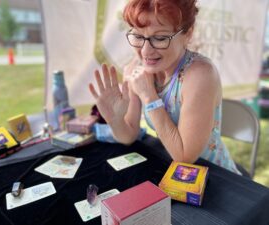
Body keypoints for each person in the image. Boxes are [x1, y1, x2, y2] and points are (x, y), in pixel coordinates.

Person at [89, 0, 241, 175]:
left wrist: (149, 97)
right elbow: (129, 134)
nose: (145, 52)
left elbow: (184, 156)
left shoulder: (200, 75)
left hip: (219, 178)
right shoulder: (137, 68)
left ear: (188, 34)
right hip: (174, 173)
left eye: (160, 38)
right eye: (138, 36)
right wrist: (115, 120)